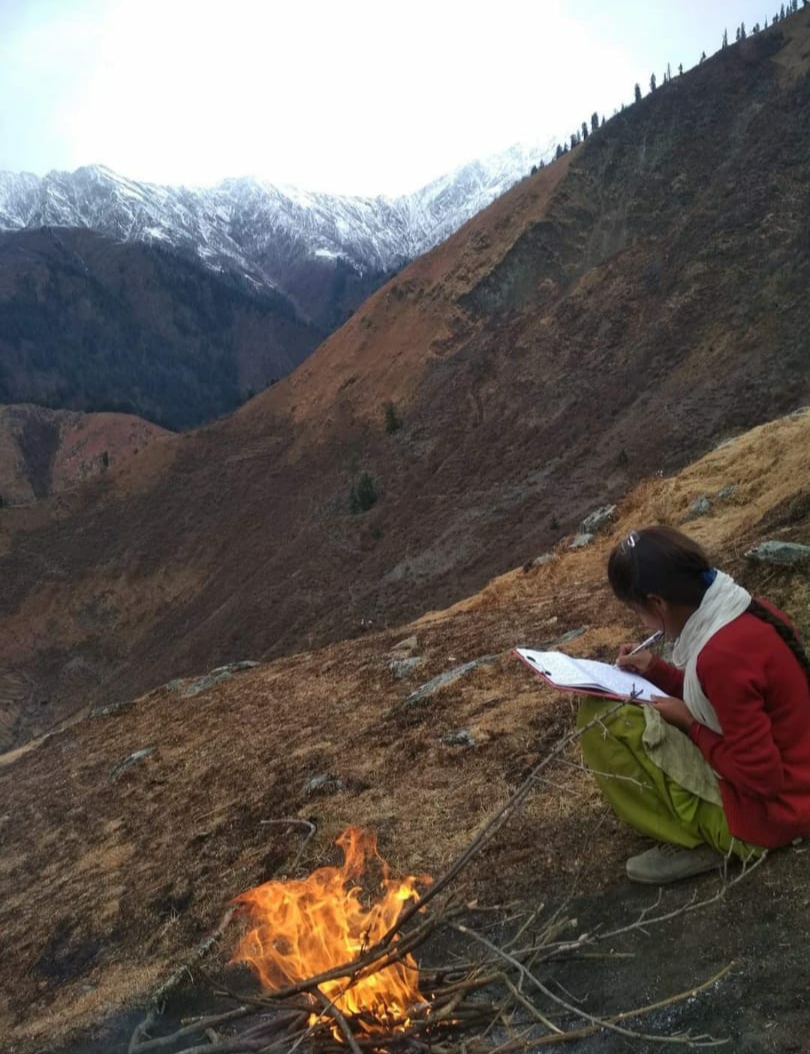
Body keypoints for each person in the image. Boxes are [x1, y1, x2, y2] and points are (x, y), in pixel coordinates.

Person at [577, 525, 810, 884]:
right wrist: (657, 671)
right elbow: (726, 702)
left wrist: (690, 724)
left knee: (602, 723)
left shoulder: (722, 655)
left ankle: (698, 840)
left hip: (776, 813)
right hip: (797, 778)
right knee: (618, 709)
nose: (641, 622)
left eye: (638, 611)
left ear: (657, 603)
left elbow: (762, 780)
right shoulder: (738, 607)